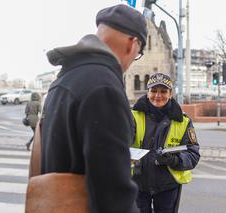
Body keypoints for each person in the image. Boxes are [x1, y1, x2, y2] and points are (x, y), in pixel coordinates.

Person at [41, 4, 147, 212]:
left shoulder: (64, 78)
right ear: (133, 44)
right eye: (138, 53)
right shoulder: (104, 88)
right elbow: (113, 195)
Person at [131, 73, 200, 213]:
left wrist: (173, 159)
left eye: (163, 91)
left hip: (167, 187)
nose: (158, 95)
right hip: (137, 184)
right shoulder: (132, 115)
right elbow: (119, 143)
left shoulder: (183, 121)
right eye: (154, 91)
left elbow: (193, 154)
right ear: (147, 92)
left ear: (170, 94)